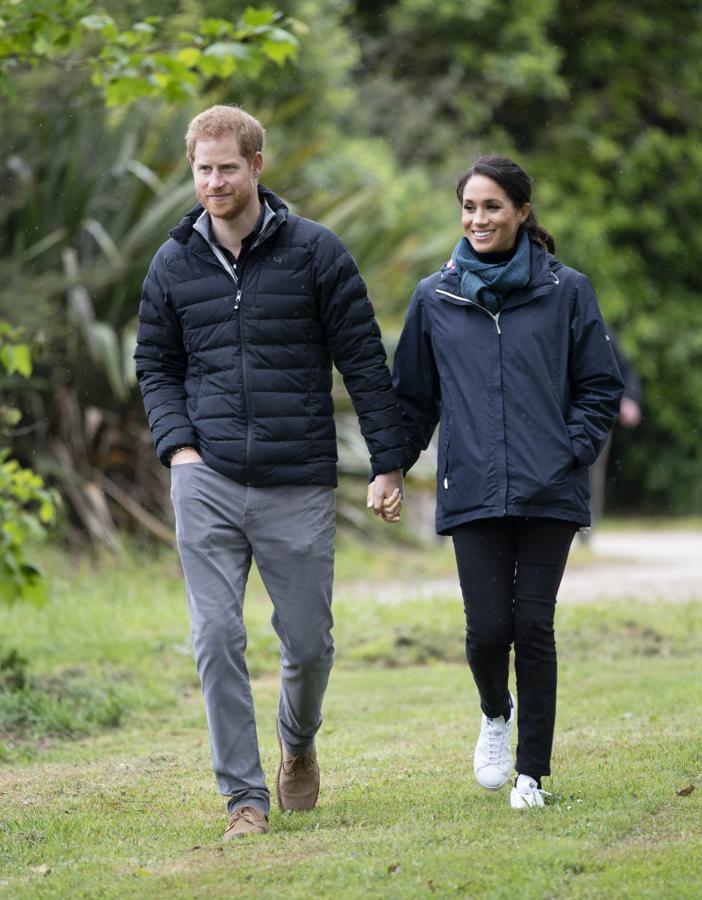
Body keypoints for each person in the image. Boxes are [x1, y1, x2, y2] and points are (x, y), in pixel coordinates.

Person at [134, 105, 403, 839]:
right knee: (216, 638)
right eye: (202, 169)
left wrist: (387, 464)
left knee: (309, 643)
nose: (214, 181)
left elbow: (365, 364)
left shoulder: (317, 253)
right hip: (208, 476)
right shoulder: (173, 262)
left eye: (226, 167)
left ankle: (299, 741)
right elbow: (154, 365)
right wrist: (179, 447)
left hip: (298, 479)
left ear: (256, 166)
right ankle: (244, 801)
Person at [391, 155, 624, 809]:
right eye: (469, 207)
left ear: (522, 212)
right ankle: (497, 712)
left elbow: (600, 385)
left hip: (549, 488)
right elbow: (411, 399)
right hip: (472, 489)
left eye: (492, 206)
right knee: (488, 628)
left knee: (534, 623)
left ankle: (531, 774)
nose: (478, 218)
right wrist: (392, 468)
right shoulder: (435, 298)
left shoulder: (565, 290)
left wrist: (568, 450)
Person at [586, 333, 642, 532]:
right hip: (556, 419)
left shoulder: (602, 332)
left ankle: (588, 526)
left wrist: (630, 399)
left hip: (597, 416)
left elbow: (626, 370)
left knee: (593, 475)